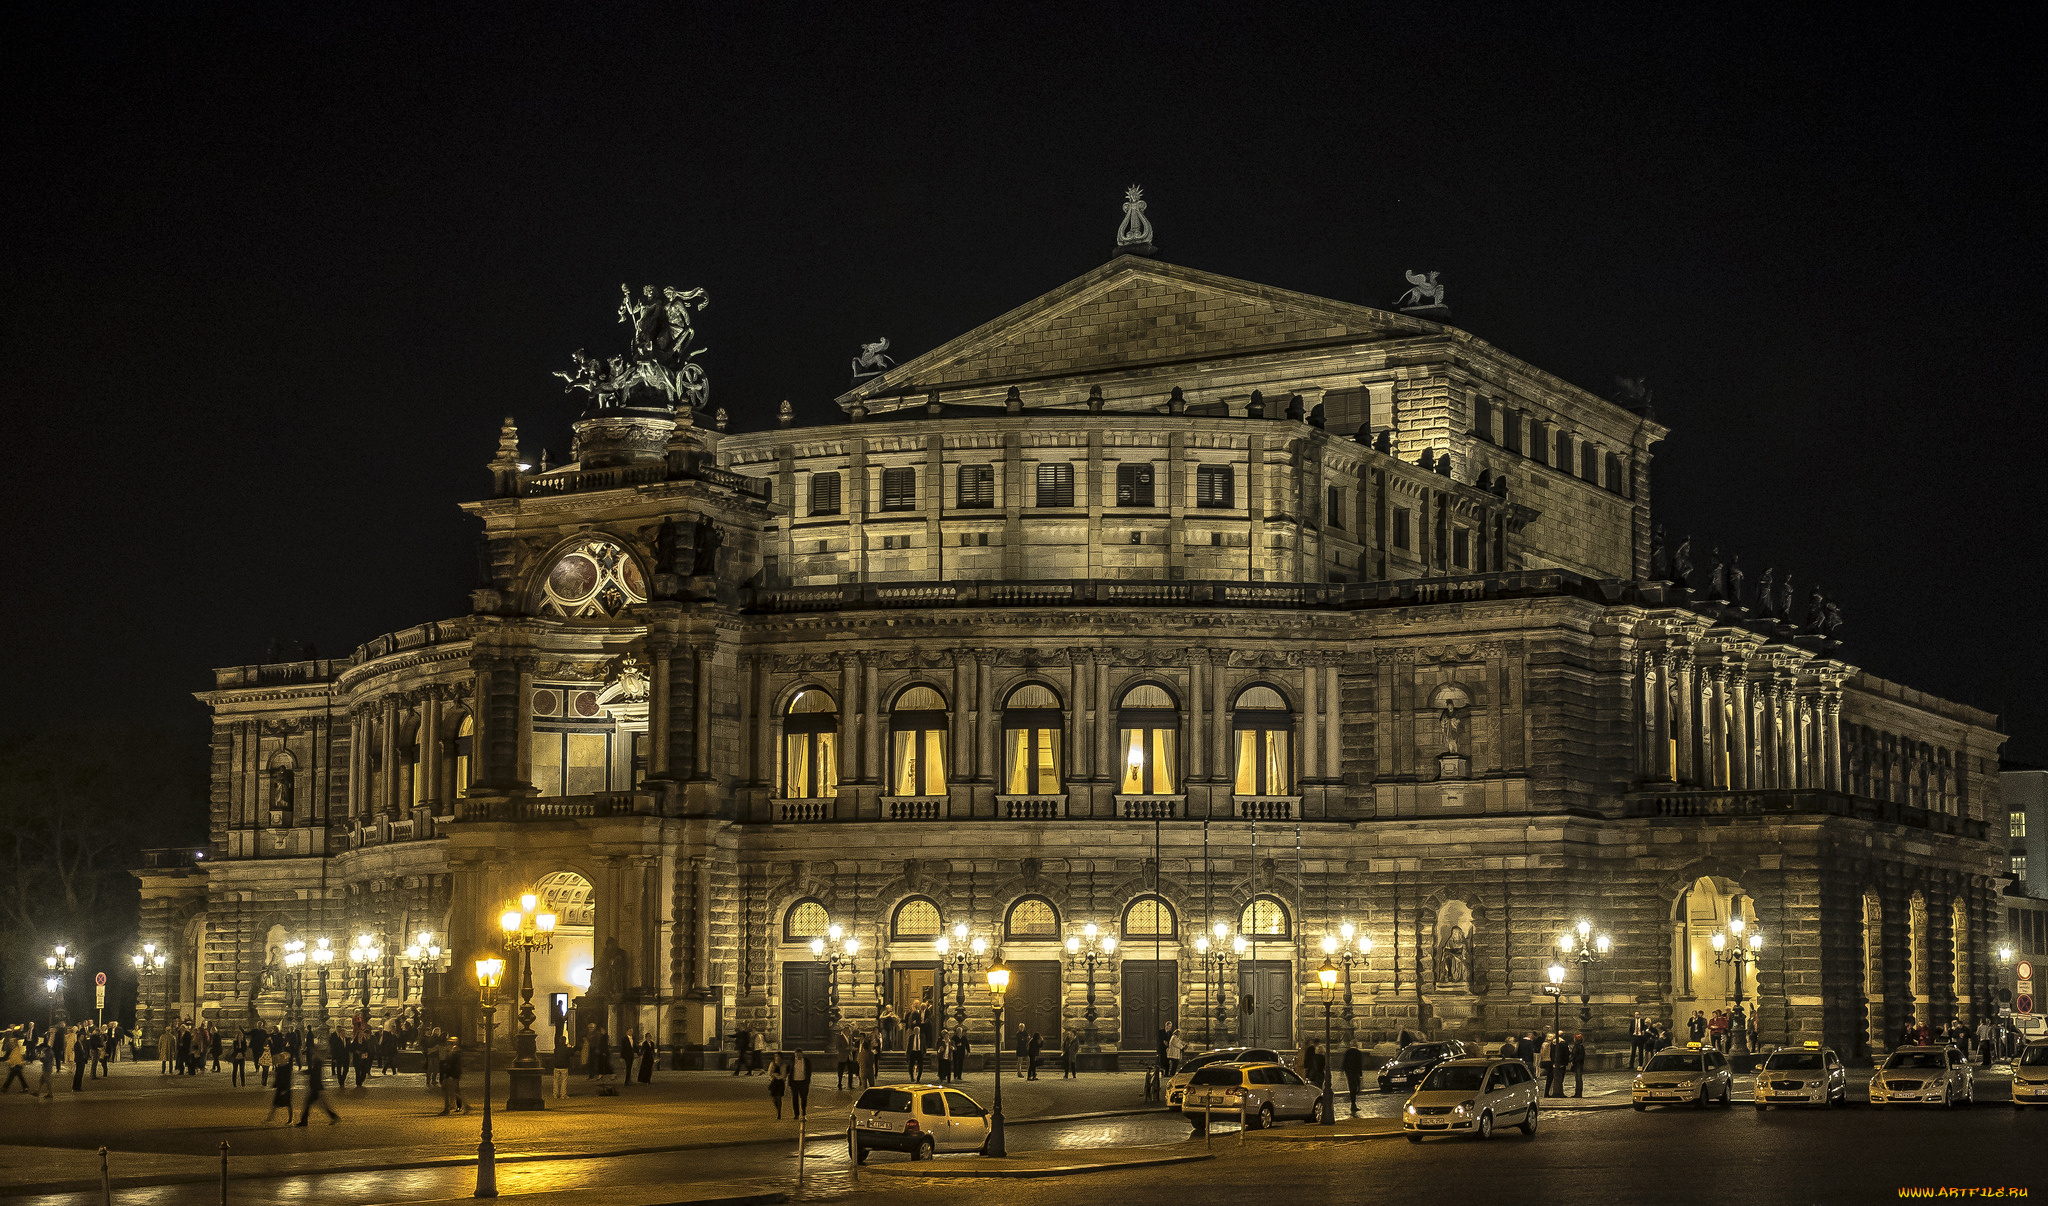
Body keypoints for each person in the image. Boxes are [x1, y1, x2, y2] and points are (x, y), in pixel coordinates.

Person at [296, 1054, 338, 1125]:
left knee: (308, 1105)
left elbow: (311, 1072)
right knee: (321, 1105)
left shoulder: (316, 1069)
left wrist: (303, 1072)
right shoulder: (317, 1069)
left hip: (315, 1090)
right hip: (316, 1089)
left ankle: (304, 1121)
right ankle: (333, 1116)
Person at [265, 1053, 294, 1123]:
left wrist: (286, 1089)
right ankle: (270, 1118)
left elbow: (288, 1079)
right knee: (275, 1103)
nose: (280, 1060)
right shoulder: (279, 1067)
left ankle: (290, 1119)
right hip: (280, 1087)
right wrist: (275, 1084)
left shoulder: (287, 1067)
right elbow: (278, 1078)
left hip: (285, 1088)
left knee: (288, 1104)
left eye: (281, 1058)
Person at [439, 1040, 467, 1114]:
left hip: (452, 1076)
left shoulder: (455, 1055)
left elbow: (455, 1067)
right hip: (450, 1075)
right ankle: (452, 1106)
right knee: (452, 1091)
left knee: (452, 1091)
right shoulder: (451, 1054)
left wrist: (451, 1075)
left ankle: (448, 1108)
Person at [787, 1047, 811, 1119]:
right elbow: (789, 1071)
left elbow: (809, 1071)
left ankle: (803, 1112)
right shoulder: (791, 1061)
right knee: (794, 1098)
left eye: (799, 1055)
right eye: (797, 1055)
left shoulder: (806, 1061)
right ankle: (796, 1114)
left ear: (802, 1054)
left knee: (804, 1098)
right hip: (794, 1082)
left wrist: (807, 1081)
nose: (798, 1057)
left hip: (803, 1082)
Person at [1341, 1043, 1364, 1115]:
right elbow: (1359, 1064)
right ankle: (1353, 1103)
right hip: (1355, 1072)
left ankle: (1353, 1101)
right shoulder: (1358, 1053)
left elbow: (1344, 1062)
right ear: (1356, 1045)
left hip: (1349, 1073)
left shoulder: (1347, 1052)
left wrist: (1343, 1071)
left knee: (1351, 1086)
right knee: (1357, 1087)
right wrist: (1360, 1074)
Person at [768, 1053, 787, 1119]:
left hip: (780, 1083)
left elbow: (784, 1075)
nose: (777, 1058)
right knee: (773, 1098)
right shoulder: (772, 1064)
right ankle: (777, 1108)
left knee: (779, 1097)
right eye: (776, 1056)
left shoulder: (783, 1065)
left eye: (778, 1056)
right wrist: (772, 1077)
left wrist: (777, 1076)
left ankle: (779, 1112)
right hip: (774, 1082)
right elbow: (769, 1073)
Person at [1569, 1032, 1586, 1098]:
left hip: (1578, 1064)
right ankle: (1577, 1093)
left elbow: (1578, 1056)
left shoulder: (1579, 1046)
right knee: (1577, 1078)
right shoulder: (1578, 1046)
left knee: (1578, 1078)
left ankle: (1578, 1093)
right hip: (1578, 1064)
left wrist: (1573, 1060)